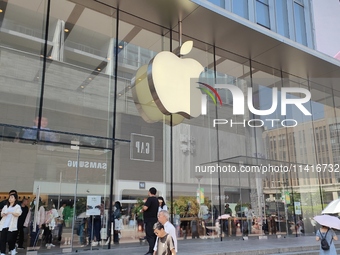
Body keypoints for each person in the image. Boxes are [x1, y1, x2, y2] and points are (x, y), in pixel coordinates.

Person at [140, 187, 159, 255]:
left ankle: (152, 250)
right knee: (154, 235)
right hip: (154, 219)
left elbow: (145, 208)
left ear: (149, 192)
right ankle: (155, 249)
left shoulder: (150, 199)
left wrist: (142, 209)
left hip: (149, 220)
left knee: (149, 235)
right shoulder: (156, 200)